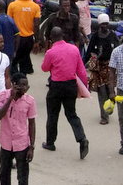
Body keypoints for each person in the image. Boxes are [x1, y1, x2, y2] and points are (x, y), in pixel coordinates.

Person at [40, 27, 89, 159]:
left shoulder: (51, 52)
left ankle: (50, 142)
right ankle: (81, 138)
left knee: (52, 115)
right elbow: (82, 71)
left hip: (56, 86)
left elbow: (44, 68)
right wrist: (84, 88)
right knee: (72, 114)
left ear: (51, 38)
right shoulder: (74, 49)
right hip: (71, 85)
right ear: (63, 36)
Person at [0, 72, 36, 185]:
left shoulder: (30, 101)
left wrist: (31, 147)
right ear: (14, 85)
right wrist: (10, 99)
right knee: (4, 174)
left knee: (22, 177)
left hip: (22, 144)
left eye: (26, 85)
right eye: (22, 85)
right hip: (6, 143)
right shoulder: (2, 96)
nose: (25, 88)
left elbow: (32, 124)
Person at [85, 13, 119, 125]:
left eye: (106, 24)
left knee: (110, 90)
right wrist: (81, 64)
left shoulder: (113, 36)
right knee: (101, 92)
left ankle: (109, 105)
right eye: (102, 24)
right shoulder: (95, 36)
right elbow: (89, 51)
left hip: (110, 68)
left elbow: (118, 51)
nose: (105, 26)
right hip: (99, 68)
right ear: (99, 25)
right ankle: (104, 116)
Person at [6, 0, 40, 75]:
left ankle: (16, 80)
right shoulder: (35, 6)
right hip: (28, 40)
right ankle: (22, 79)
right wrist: (37, 41)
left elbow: (9, 22)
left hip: (16, 39)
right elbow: (36, 25)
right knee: (24, 62)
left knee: (13, 61)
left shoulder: (12, 5)